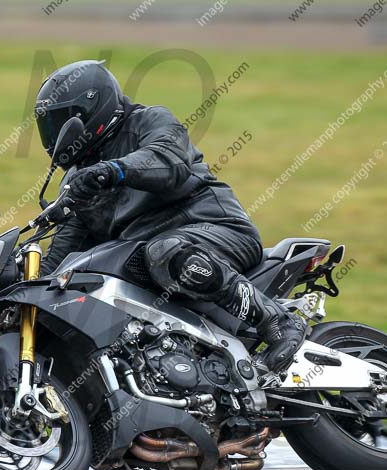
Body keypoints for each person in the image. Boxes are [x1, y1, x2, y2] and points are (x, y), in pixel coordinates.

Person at [35, 60, 305, 374]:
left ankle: (278, 323)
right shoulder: (83, 179)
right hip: (156, 266)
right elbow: (58, 260)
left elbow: (168, 161)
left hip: (218, 231)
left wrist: (113, 171)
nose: (54, 135)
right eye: (48, 125)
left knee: (163, 250)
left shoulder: (148, 121)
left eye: (61, 122)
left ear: (89, 113)